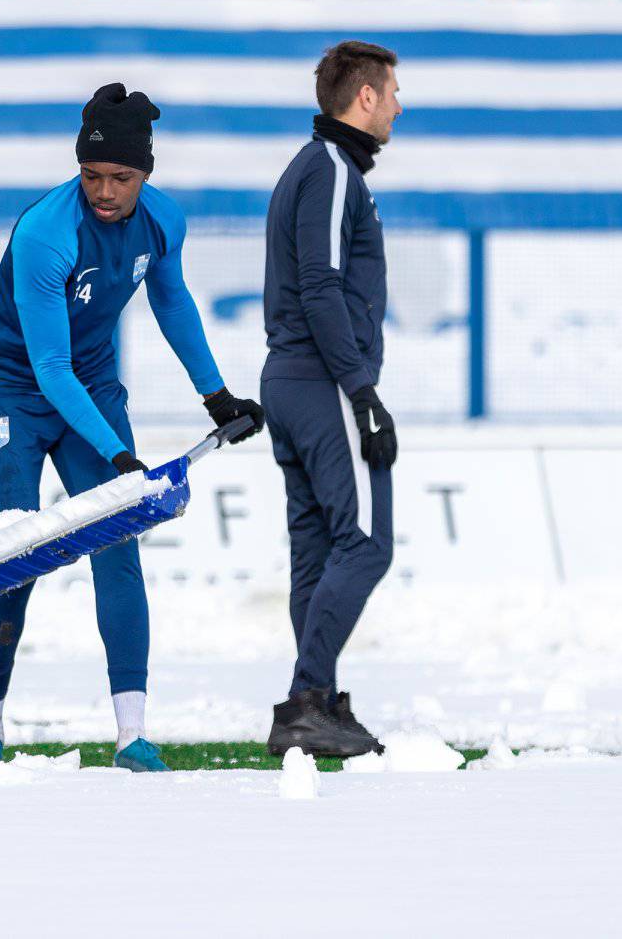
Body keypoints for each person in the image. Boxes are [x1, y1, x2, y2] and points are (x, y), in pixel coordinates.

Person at [0, 83, 265, 772]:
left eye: (121, 178)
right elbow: (46, 364)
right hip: (13, 384)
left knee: (118, 550)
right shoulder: (45, 232)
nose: (104, 190)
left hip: (89, 383)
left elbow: (172, 301)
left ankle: (132, 735)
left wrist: (215, 395)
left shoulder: (162, 221)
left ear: (146, 174)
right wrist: (117, 452)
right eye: (92, 175)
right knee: (14, 552)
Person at [261, 41, 403, 758]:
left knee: (317, 554)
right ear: (366, 97)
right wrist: (362, 390)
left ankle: (317, 702)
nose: (399, 105)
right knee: (368, 543)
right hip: (319, 380)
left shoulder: (315, 169)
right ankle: (307, 699)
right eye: (393, 91)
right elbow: (320, 285)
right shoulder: (331, 170)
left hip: (291, 378)